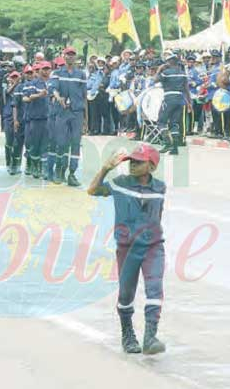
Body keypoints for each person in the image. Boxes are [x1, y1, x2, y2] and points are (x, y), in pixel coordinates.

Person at [86, 143, 166, 355]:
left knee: (155, 287)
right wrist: (105, 168)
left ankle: (150, 336)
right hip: (127, 247)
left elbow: (158, 214)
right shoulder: (119, 183)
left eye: (139, 162)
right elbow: (92, 190)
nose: (133, 165)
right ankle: (127, 333)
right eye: (131, 161)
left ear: (151, 166)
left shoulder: (160, 188)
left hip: (153, 246)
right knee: (126, 293)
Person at [52, 46, 86, 186]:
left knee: (76, 144)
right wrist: (58, 97)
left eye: (73, 54)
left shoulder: (81, 74)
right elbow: (53, 88)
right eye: (68, 54)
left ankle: (72, 173)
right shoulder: (57, 73)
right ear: (63, 56)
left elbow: (84, 97)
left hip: (77, 113)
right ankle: (60, 170)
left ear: (75, 57)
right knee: (61, 143)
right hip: (62, 112)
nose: (70, 57)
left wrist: (86, 120)